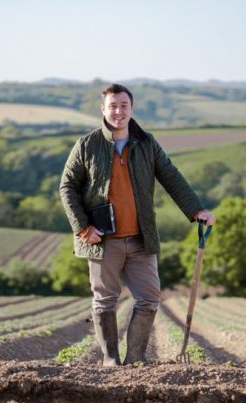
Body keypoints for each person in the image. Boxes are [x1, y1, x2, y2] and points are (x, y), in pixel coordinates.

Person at [59, 83, 215, 366]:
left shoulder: (147, 144)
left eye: (124, 106)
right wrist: (83, 228)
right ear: (103, 109)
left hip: (141, 238)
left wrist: (197, 210)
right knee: (105, 301)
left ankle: (134, 361)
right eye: (113, 106)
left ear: (132, 109)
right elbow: (67, 187)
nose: (118, 111)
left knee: (149, 299)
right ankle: (110, 362)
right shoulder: (87, 145)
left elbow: (171, 177)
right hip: (102, 240)